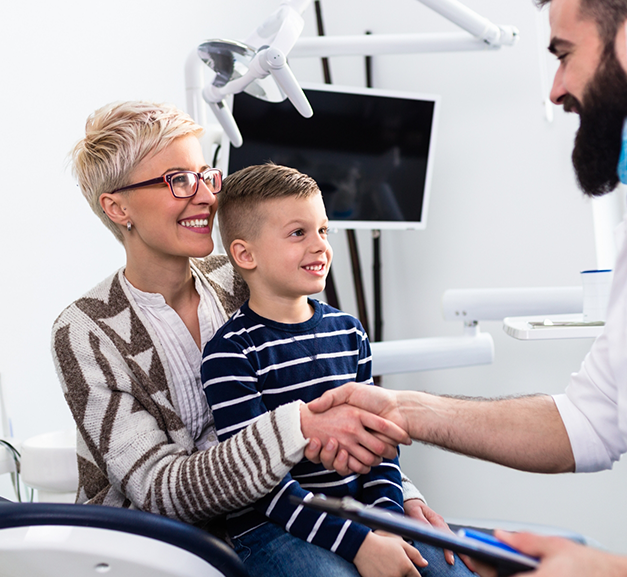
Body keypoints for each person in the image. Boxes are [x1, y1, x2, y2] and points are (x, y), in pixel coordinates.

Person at [307, 0, 627, 575]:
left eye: (564, 55)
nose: (556, 90)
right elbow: (590, 418)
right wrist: (405, 409)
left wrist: (618, 571)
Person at [51, 101, 443, 546]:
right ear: (118, 208)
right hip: (156, 547)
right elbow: (159, 489)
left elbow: (331, 394)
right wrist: (301, 427)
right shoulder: (85, 331)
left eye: (205, 175)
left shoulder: (242, 275)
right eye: (178, 180)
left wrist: (402, 498)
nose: (205, 197)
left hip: (288, 517)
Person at [200, 162, 473, 577]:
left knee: (451, 570)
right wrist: (358, 544)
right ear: (244, 254)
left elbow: (382, 448)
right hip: (273, 529)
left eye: (323, 230)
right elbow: (260, 485)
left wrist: (386, 525)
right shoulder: (230, 352)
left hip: (364, 515)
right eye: (298, 233)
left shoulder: (349, 332)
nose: (320, 246)